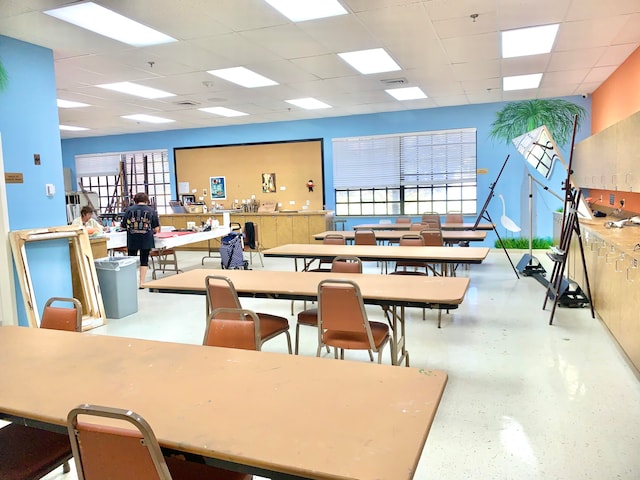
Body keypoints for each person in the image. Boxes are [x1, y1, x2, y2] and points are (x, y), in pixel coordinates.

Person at [124, 192, 160, 289]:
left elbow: (123, 226)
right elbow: (156, 228)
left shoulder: (129, 210)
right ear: (146, 200)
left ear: (135, 200)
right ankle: (141, 282)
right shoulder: (151, 211)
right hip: (146, 239)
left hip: (132, 238)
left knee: (131, 260)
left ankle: (130, 282)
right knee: (144, 260)